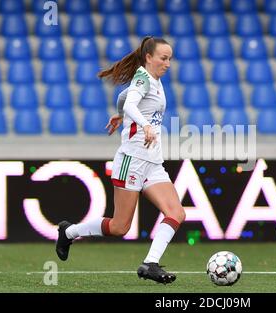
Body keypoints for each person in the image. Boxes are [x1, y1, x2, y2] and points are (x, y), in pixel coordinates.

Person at [55, 36, 186, 284]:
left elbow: (125, 98)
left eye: (170, 58)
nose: (168, 63)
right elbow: (133, 102)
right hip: (132, 159)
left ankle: (150, 263)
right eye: (163, 58)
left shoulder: (154, 81)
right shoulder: (143, 77)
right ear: (148, 57)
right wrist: (143, 123)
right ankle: (69, 231)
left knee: (176, 213)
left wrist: (119, 114)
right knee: (119, 227)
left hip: (152, 162)